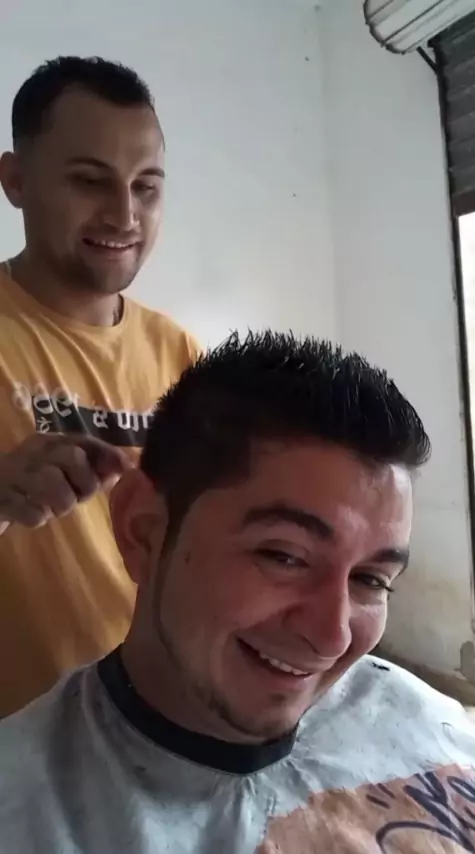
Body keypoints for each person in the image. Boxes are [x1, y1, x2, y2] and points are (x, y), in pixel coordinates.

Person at [1, 330, 475, 854]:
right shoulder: (25, 808)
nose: (333, 637)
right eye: (285, 556)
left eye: (371, 579)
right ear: (145, 530)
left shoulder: (424, 718)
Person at [0, 56, 200, 717]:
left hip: (154, 719)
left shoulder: (181, 353)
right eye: (90, 181)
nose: (124, 215)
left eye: (146, 188)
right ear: (16, 180)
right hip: (19, 740)